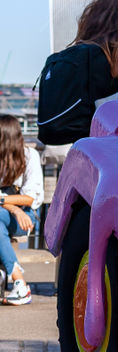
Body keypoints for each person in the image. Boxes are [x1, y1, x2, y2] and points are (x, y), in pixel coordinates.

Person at [0, 114, 44, 305]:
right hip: (12, 214)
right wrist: (13, 208)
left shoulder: (29, 156)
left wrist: (17, 210)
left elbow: (29, 198)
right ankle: (16, 279)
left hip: (26, 216)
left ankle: (20, 284)